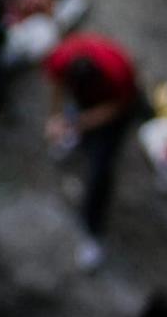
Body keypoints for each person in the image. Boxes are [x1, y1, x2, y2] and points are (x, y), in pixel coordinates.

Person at [42, 30, 143, 267]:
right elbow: (57, 85)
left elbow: (116, 108)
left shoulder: (118, 72)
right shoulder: (63, 58)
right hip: (85, 103)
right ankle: (70, 137)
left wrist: (79, 123)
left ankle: (93, 233)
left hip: (116, 106)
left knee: (100, 172)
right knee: (72, 120)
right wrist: (55, 117)